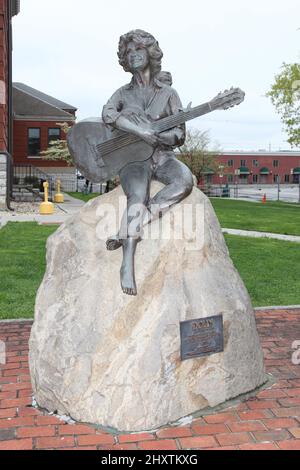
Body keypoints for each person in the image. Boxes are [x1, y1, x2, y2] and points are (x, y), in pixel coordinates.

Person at [102, 29, 193, 296]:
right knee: (137, 195)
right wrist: (138, 130)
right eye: (128, 52)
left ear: (150, 54)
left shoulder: (169, 94)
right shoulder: (122, 93)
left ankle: (136, 223)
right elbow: (108, 114)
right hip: (133, 160)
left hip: (163, 156)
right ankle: (127, 263)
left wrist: (158, 136)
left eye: (138, 50)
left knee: (184, 181)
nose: (133, 55)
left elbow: (179, 135)